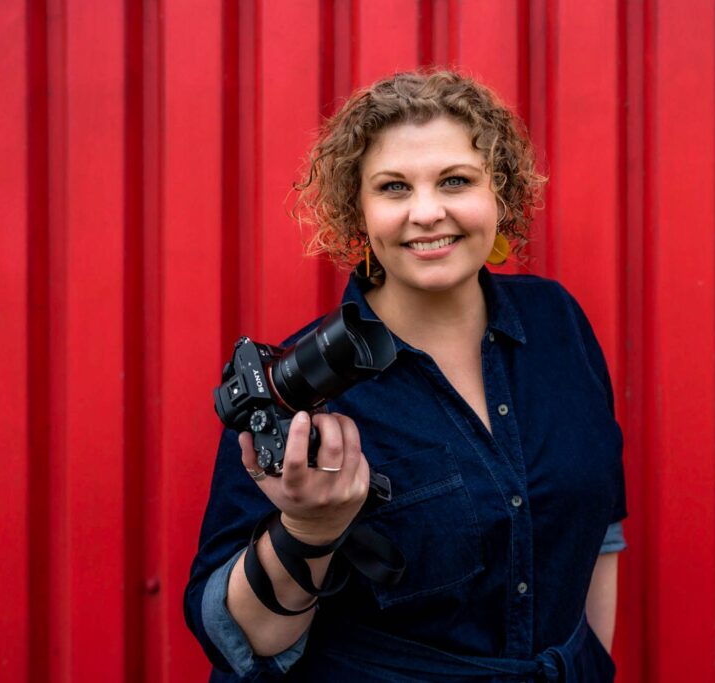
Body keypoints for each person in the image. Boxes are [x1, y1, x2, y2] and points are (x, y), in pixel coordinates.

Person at [184, 70, 627, 682]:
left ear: (498, 192)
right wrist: (309, 529)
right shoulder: (296, 387)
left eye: (455, 181)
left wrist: (588, 662)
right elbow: (243, 638)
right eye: (393, 188)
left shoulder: (558, 322)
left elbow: (599, 529)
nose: (427, 212)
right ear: (358, 212)